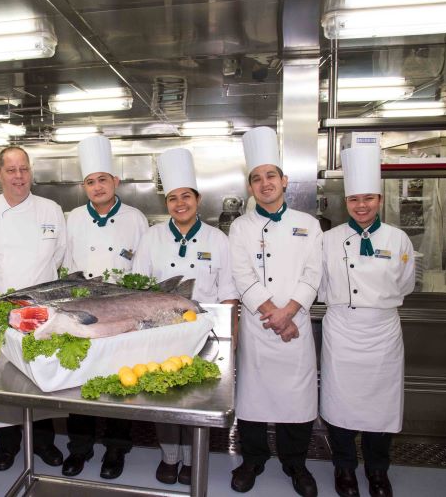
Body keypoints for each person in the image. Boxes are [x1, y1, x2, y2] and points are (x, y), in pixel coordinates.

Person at [132, 147, 238, 486]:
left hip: (204, 332)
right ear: (168, 204)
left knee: (198, 398)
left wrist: (231, 337)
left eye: (186, 197)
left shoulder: (218, 239)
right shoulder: (151, 238)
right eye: (173, 198)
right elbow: (139, 288)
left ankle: (194, 456)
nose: (180, 203)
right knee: (164, 395)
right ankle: (169, 456)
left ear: (198, 199)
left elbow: (228, 291)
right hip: (161, 331)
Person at [228, 126, 322, 497]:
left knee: (297, 401)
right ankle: (253, 459)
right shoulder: (240, 227)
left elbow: (313, 273)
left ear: (284, 181)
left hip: (294, 324)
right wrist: (273, 315)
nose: (265, 183)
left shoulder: (308, 224)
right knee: (252, 400)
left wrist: (289, 313)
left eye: (271, 176)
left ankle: (295, 463)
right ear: (250, 186)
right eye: (256, 178)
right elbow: (242, 275)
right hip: (259, 326)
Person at [0, 146, 66, 471]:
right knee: (1, 380)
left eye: (24, 169)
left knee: (41, 378)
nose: (19, 176)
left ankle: (44, 443)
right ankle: (8, 444)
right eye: (11, 170)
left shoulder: (51, 209)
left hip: (41, 314)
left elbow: (59, 256)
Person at [319, 146, 415, 497]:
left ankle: (378, 472)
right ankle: (344, 469)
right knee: (339, 405)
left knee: (381, 409)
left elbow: (405, 283)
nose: (362, 206)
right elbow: (320, 284)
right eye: (355, 199)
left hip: (383, 332)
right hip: (342, 329)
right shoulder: (328, 240)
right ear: (346, 202)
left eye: (369, 199)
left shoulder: (397, 238)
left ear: (379, 198)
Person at [61, 135, 149, 479]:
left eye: (102, 179)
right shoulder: (73, 219)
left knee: (118, 380)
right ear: (84, 186)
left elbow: (142, 271)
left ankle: (116, 449)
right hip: (81, 313)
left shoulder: (135, 218)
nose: (97, 187)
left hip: (122, 313)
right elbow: (67, 267)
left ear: (116, 181)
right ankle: (79, 449)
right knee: (79, 381)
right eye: (90, 181)